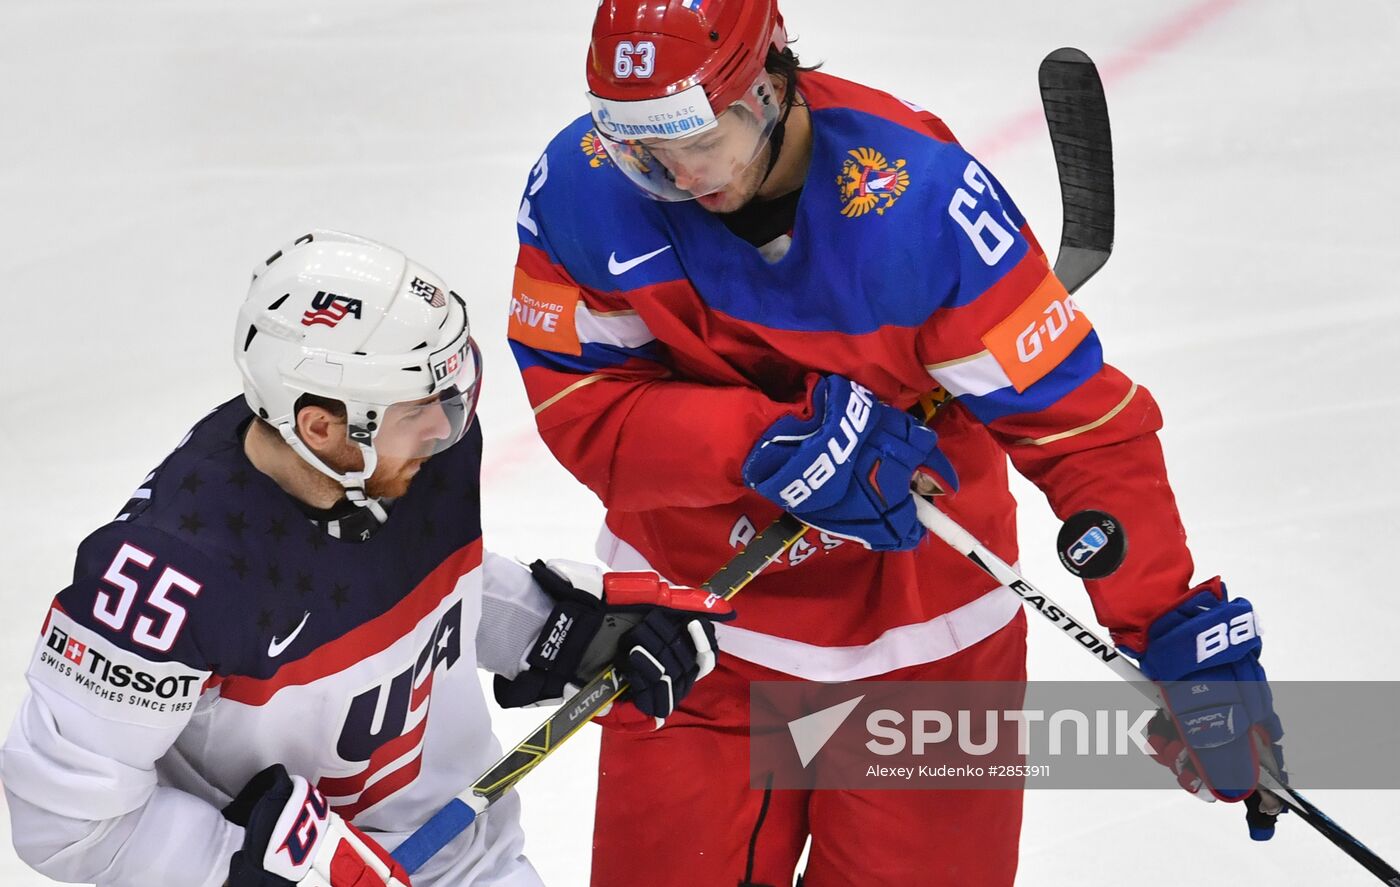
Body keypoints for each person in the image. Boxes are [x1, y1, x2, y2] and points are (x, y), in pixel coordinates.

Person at [506, 2, 1283, 885]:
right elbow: (581, 404)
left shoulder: (922, 203)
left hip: (927, 655)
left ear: (767, 83)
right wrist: (768, 438)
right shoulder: (582, 190)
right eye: (639, 146)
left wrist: (1171, 624)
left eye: (695, 136)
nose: (677, 175)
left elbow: (1081, 430)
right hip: (694, 643)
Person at [0, 230, 731, 887]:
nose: (451, 423)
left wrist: (556, 628)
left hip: (464, 862)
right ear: (321, 426)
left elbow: (428, 595)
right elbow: (64, 818)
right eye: (423, 409)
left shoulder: (419, 451)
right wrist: (242, 868)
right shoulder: (164, 574)